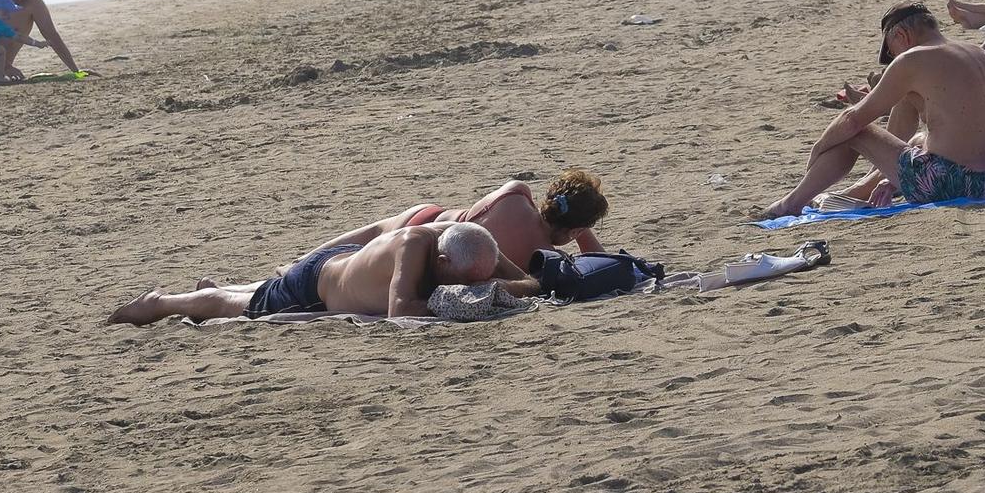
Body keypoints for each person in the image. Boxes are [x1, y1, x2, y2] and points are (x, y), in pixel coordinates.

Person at [761, 4, 985, 217]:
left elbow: (852, 120)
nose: (892, 60)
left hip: (947, 183)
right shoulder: (976, 54)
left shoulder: (913, 59)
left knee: (852, 131)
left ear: (901, 36)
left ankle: (791, 203)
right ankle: (874, 182)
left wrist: (818, 149)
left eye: (891, 52)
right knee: (916, 131)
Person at [107, 221, 530, 325]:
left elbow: (534, 283)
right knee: (234, 306)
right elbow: (401, 310)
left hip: (343, 263)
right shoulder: (414, 247)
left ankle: (213, 286)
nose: (472, 288)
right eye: (465, 282)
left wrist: (491, 283)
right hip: (315, 286)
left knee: (265, 288)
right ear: (440, 263)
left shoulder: (471, 241)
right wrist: (466, 304)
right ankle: (159, 303)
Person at [307, 171, 609, 263]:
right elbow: (602, 262)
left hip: (423, 217)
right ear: (576, 230)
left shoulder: (515, 194)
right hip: (421, 253)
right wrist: (580, 231)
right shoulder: (544, 257)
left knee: (316, 260)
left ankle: (293, 265)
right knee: (341, 269)